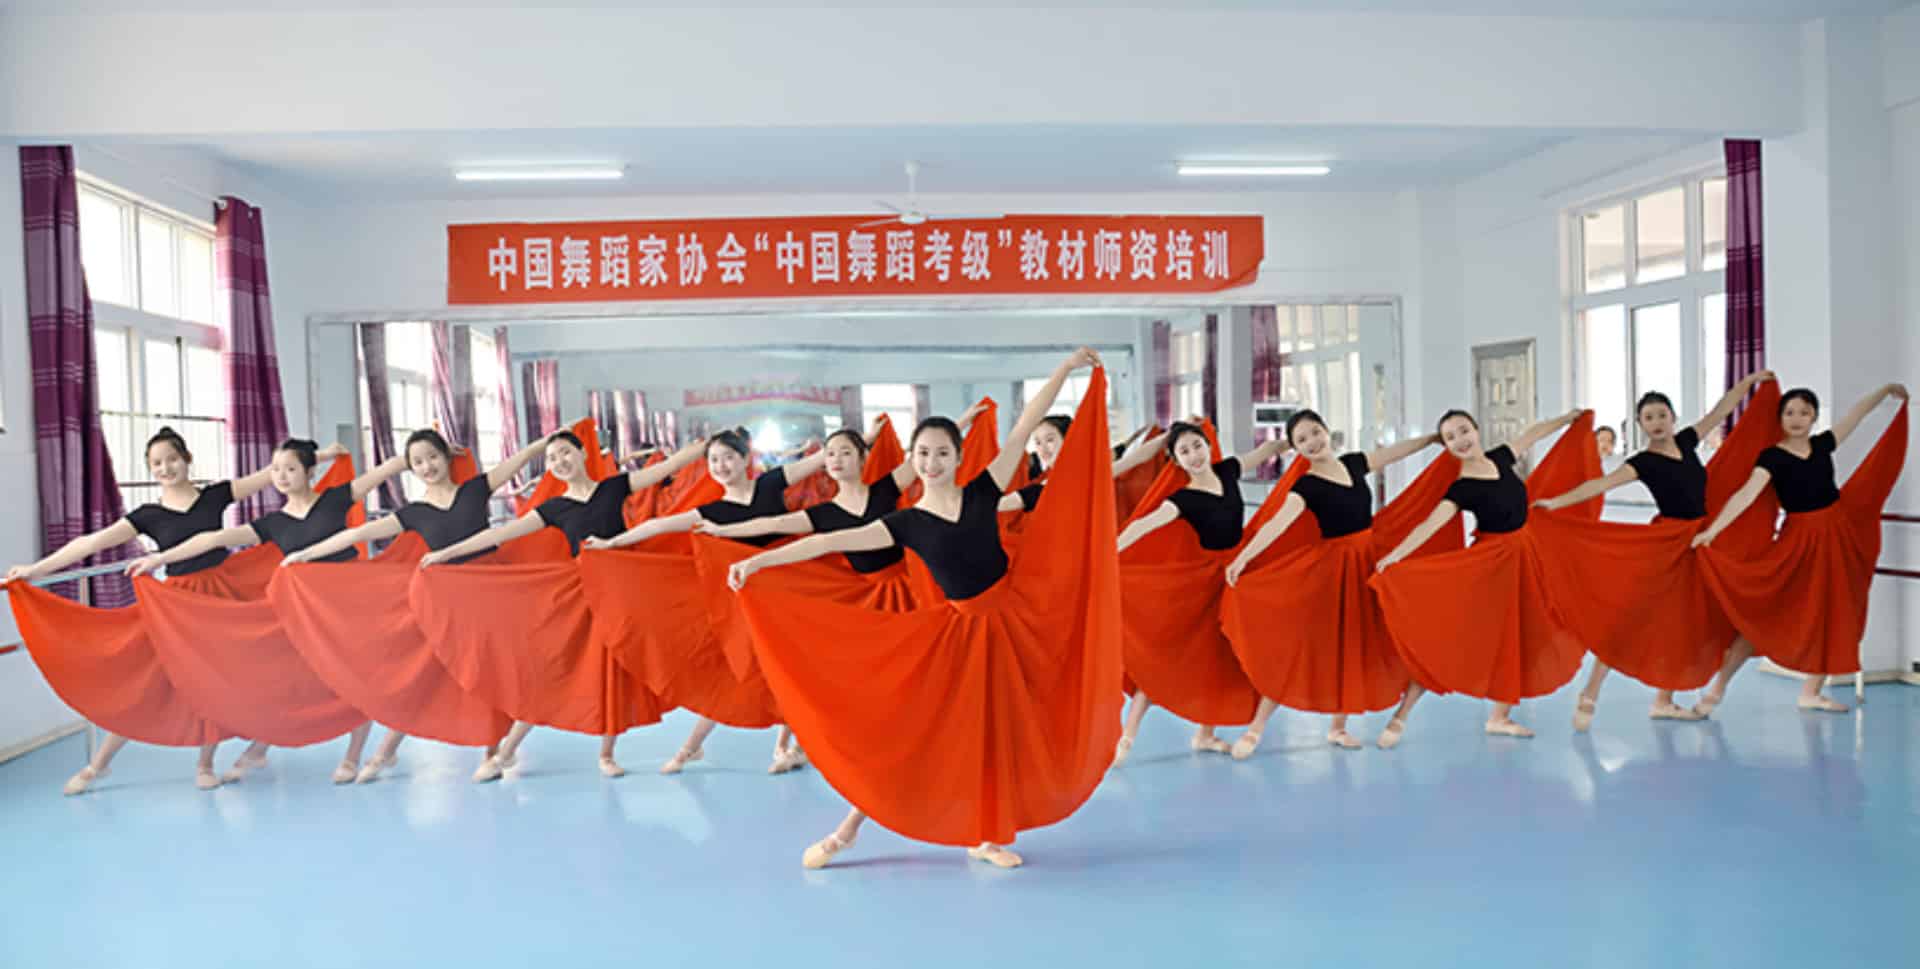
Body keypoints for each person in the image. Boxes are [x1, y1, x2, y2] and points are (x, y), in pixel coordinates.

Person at [726, 348, 1117, 870]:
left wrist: (1064, 372)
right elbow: (827, 541)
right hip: (959, 637)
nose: (932, 463)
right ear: (914, 459)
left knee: (1001, 733)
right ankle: (845, 832)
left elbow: (1025, 425)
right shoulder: (906, 522)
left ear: (958, 457)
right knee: (920, 735)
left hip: (1011, 624)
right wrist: (757, 564)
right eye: (924, 454)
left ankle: (984, 835)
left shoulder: (983, 492)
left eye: (942, 453)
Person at [3, 429, 345, 794]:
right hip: (175, 604)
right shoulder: (148, 515)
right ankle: (98, 765)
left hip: (222, 597)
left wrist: (323, 456)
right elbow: (91, 543)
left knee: (220, 680)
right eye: (156, 463)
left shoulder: (215, 495)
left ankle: (208, 762)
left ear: (186, 460)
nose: (165, 468)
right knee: (150, 681)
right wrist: (36, 569)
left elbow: (271, 474)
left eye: (171, 459)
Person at [413, 430, 706, 780]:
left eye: (565, 453)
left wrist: (708, 446)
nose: (560, 462)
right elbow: (499, 534)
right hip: (579, 595)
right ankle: (505, 753)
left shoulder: (614, 487)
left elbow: (666, 468)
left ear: (583, 453)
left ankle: (606, 754)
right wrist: (446, 553)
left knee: (615, 671)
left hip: (621, 591)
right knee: (550, 670)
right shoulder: (553, 508)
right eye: (552, 459)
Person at [123, 438, 408, 783]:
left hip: (348, 602)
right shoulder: (273, 523)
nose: (282, 476)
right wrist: (159, 558)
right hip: (305, 608)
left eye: (290, 469)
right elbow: (212, 539)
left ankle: (352, 757)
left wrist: (426, 453)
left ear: (310, 471)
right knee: (292, 676)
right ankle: (261, 747)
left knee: (358, 676)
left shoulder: (335, 499)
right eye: (276, 470)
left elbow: (386, 469)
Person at [272, 429, 547, 782]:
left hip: (491, 594)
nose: (427, 466)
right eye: (417, 462)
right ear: (411, 468)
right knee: (428, 673)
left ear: (446, 457)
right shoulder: (415, 512)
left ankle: (492, 752)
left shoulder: (475, 489)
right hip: (447, 600)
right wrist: (305, 554)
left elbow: (518, 460)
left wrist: (546, 443)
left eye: (432, 457)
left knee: (490, 670)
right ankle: (386, 752)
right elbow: (358, 534)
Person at [1530, 371, 1778, 730]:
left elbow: (1721, 410)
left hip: (1699, 543)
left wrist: (1749, 381)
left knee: (1682, 623)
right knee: (1631, 617)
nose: (1657, 422)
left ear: (1673, 418)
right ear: (1641, 425)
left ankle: (1663, 700)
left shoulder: (1688, 440)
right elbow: (1599, 484)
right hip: (1666, 544)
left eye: (1662, 415)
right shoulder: (1643, 462)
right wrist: (1555, 502)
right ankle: (1590, 692)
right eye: (1649, 417)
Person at [1220, 414, 1449, 756]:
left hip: (1367, 561)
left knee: (1357, 643)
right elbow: (1277, 524)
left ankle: (1339, 727)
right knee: (1304, 645)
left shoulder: (1353, 464)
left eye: (1315, 432)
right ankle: (1255, 730)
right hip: (1333, 571)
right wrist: (1243, 558)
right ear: (1296, 449)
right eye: (1302, 440)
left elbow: (1394, 453)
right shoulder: (1306, 486)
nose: (1312, 441)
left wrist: (1431, 439)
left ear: (1327, 432)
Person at [1369, 409, 1594, 746]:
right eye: (1450, 437)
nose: (1460, 440)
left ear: (1476, 430)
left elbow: (1532, 434)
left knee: (1521, 636)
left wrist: (1567, 419)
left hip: (1525, 558)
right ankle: (1400, 717)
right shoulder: (1461, 488)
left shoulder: (1500, 458)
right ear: (1446, 446)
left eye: (1464, 430)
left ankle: (1499, 716)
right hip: (1492, 567)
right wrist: (1396, 555)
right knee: (1456, 640)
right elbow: (1429, 525)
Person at [1691, 383, 1909, 713]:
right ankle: (1718, 687)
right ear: (1780, 418)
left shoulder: (1822, 445)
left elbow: (1856, 415)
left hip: (1837, 535)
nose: (1796, 418)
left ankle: (1811, 692)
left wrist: (1884, 391)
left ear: (1814, 417)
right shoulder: (1772, 457)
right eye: (1790, 412)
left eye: (1804, 413)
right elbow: (1746, 494)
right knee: (1767, 615)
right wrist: (1713, 530)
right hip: (1800, 540)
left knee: (1834, 612)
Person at [1108, 421, 1289, 764]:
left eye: (1197, 446)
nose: (1193, 455)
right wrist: (1107, 553)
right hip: (1204, 585)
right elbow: (1143, 525)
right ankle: (1126, 737)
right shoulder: (1183, 499)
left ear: (1208, 445)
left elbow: (1261, 453)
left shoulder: (1227, 470)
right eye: (1184, 451)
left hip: (1237, 575)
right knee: (1169, 656)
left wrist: (1286, 444)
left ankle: (1205, 734)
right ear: (1175, 461)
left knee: (1222, 658)